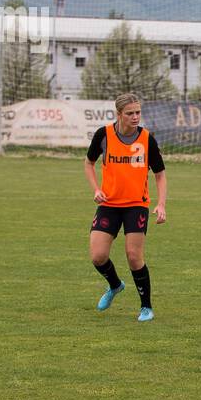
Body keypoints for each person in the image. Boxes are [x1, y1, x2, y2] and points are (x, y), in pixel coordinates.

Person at [85, 93, 167, 322]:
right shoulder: (104, 135)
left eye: (138, 112)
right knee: (98, 256)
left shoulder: (147, 138)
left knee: (133, 256)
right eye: (130, 113)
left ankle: (146, 307)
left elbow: (160, 174)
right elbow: (89, 163)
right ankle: (115, 285)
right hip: (109, 204)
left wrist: (161, 204)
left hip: (136, 205)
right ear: (119, 114)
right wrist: (95, 189)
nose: (135, 117)